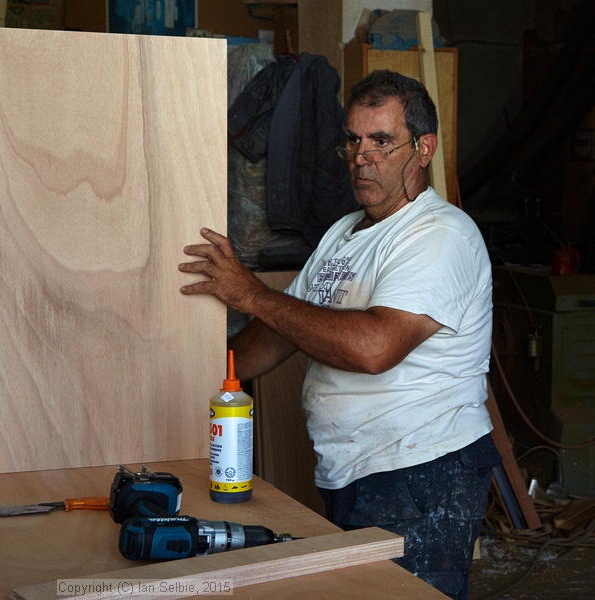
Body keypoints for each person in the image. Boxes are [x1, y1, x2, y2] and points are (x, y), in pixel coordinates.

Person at [178, 70, 501, 600]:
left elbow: (375, 348)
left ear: (423, 148)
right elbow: (280, 333)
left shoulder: (439, 235)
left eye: (381, 141)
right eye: (353, 139)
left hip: (422, 471)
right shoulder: (344, 233)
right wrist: (190, 371)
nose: (361, 157)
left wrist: (252, 293)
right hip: (354, 468)